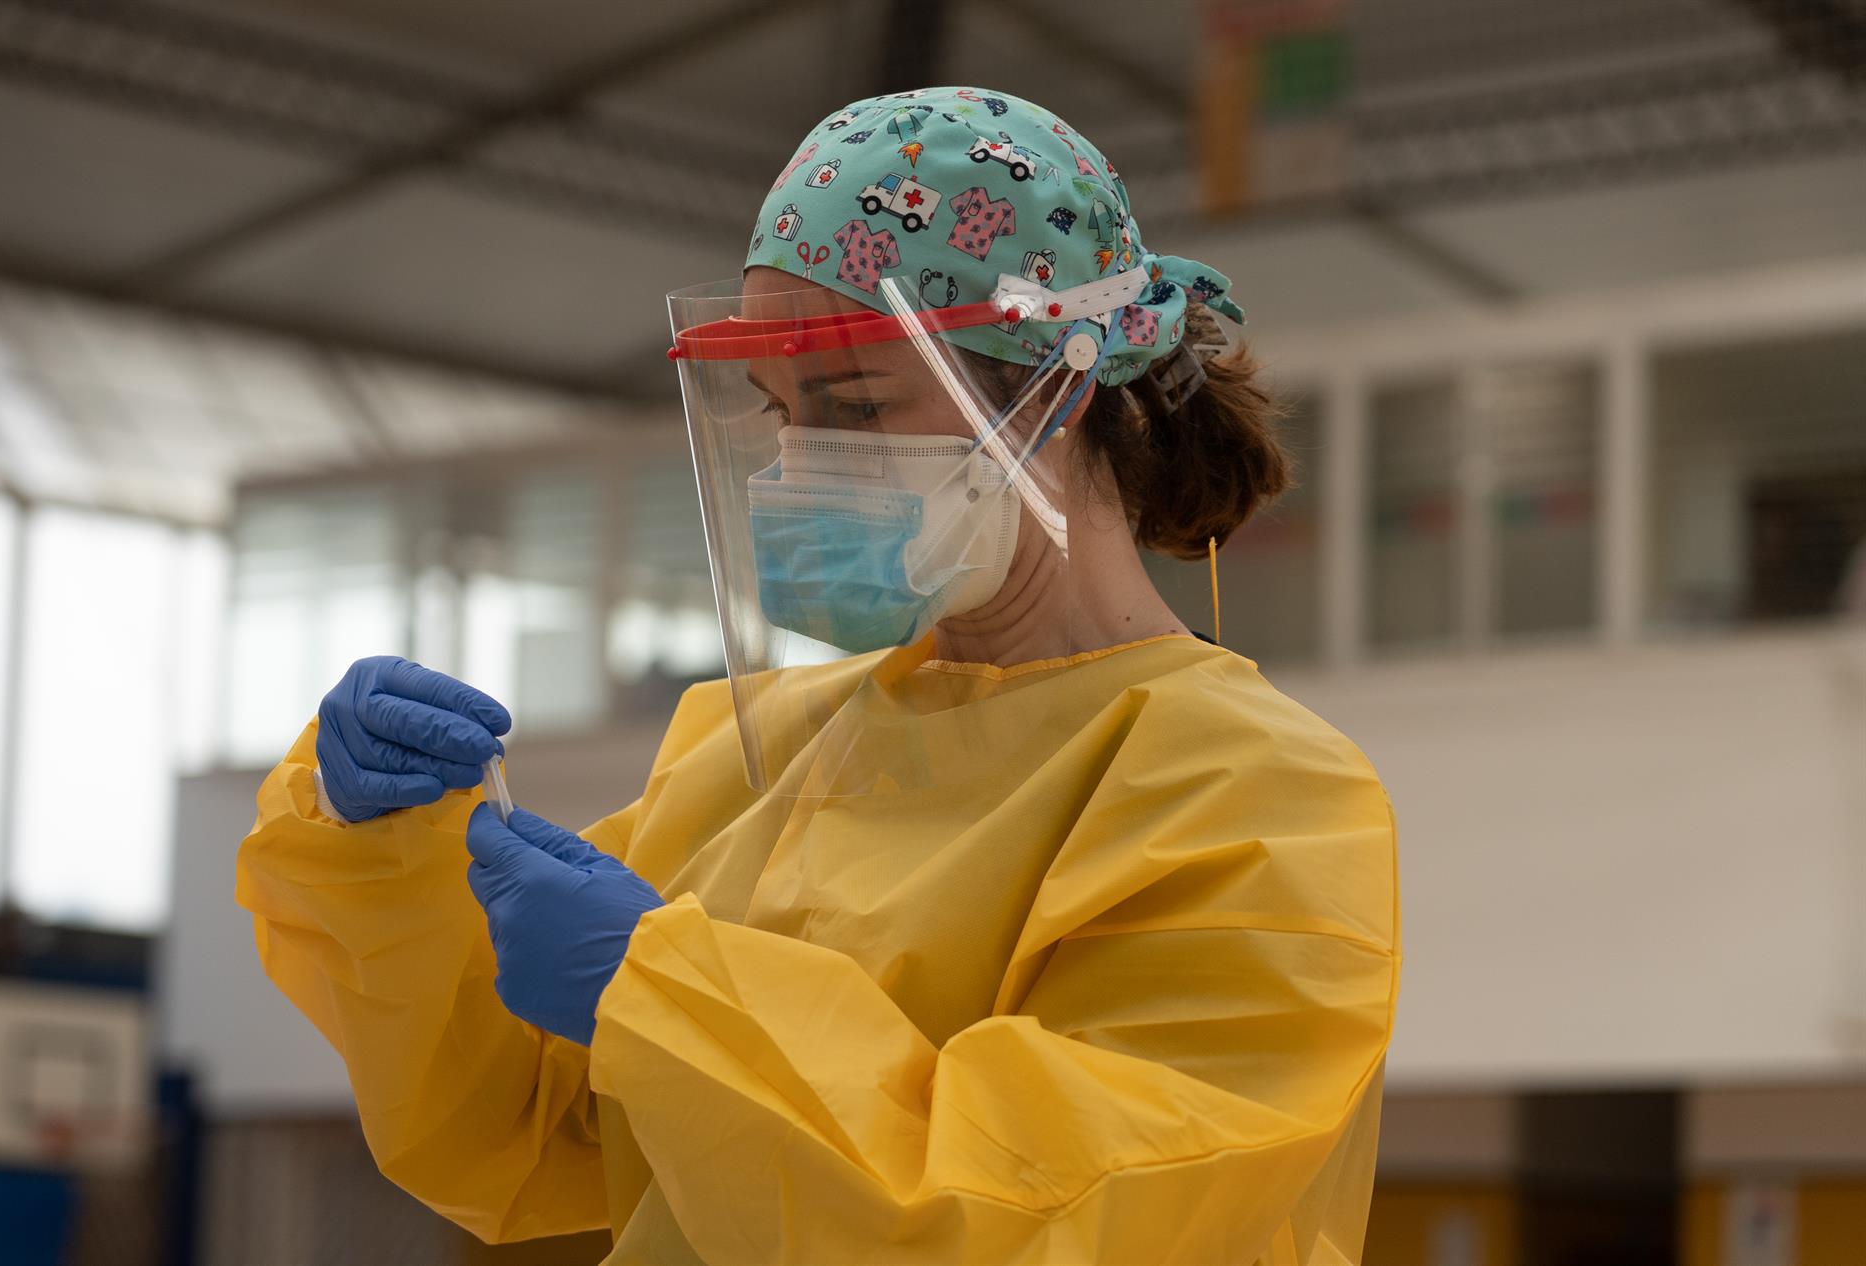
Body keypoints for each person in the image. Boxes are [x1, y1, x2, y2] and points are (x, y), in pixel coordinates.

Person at [238, 86, 1399, 1265]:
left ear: (1055, 384)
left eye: (851, 402)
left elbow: (1057, 1215)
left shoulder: (1256, 800)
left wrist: (671, 997)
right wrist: (378, 847)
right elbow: (521, 1137)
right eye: (779, 410)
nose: (795, 466)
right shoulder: (756, 755)